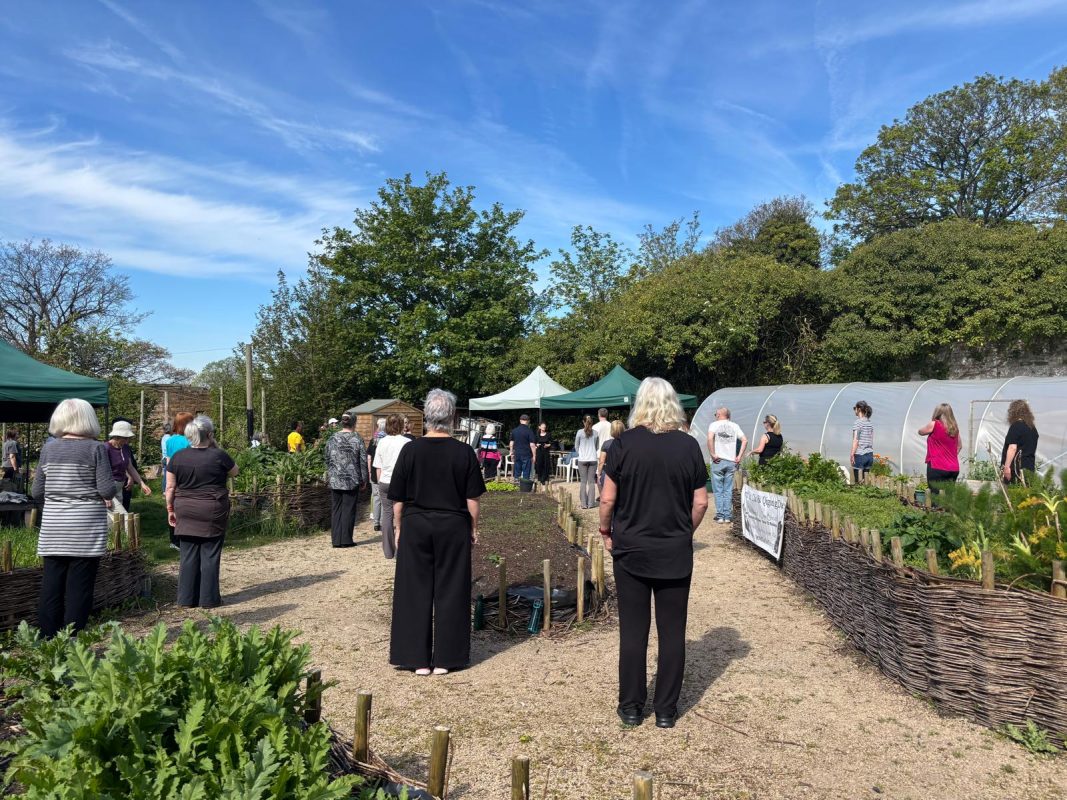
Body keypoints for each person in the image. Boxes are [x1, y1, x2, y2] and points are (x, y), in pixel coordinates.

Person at [599, 377, 709, 729]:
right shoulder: (689, 446)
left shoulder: (623, 444)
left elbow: (607, 499)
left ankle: (631, 707)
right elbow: (701, 502)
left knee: (633, 631)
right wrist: (684, 532)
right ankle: (665, 710)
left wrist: (606, 531)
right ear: (673, 405)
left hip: (631, 548)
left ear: (640, 404)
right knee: (672, 631)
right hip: (674, 550)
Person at [389, 389, 486, 675]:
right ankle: (447, 658)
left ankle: (415, 658)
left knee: (413, 589)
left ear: (427, 417)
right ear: (452, 417)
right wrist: (473, 527)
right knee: (452, 588)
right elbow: (472, 499)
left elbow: (398, 499)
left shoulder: (410, 450)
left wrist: (398, 527)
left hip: (416, 524)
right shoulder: (464, 452)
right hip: (452, 525)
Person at [32, 399, 117, 637]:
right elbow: (107, 489)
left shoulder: (49, 449)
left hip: (54, 525)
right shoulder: (96, 448)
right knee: (80, 587)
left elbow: (37, 492)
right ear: (88, 419)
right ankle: (72, 640)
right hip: (85, 527)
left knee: (51, 586)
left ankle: (48, 640)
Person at [166, 415, 238, 608]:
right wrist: (215, 446)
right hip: (212, 509)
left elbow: (170, 487)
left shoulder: (177, 457)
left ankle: (186, 599)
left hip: (185, 508)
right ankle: (208, 599)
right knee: (210, 553)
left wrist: (170, 509)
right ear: (210, 434)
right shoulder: (219, 455)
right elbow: (235, 472)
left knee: (188, 554)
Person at [324, 411, 369, 548]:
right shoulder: (357, 438)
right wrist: (364, 479)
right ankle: (346, 540)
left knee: (336, 509)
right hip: (351, 479)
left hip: (335, 478)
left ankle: (336, 540)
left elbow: (327, 458)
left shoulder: (332, 438)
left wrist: (331, 473)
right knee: (349, 509)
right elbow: (362, 460)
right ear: (354, 422)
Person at [373, 414, 410, 558]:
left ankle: (388, 551)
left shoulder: (382, 442)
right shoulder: (407, 442)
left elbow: (378, 466)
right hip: (402, 483)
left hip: (385, 481)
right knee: (403, 515)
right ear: (401, 425)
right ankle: (402, 549)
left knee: (387, 515)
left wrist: (379, 484)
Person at [705, 408, 746, 524]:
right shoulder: (735, 426)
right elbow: (745, 440)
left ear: (719, 415)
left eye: (715, 414)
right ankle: (727, 516)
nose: (715, 416)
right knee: (728, 490)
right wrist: (739, 456)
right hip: (731, 461)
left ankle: (720, 516)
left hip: (718, 461)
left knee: (718, 490)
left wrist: (713, 454)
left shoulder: (714, 425)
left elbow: (709, 438)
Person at [105, 421, 152, 514]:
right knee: (123, 516)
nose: (127, 441)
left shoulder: (125, 448)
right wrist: (105, 495)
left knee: (115, 518)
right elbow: (99, 472)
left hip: (120, 487)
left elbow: (130, 467)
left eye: (128, 438)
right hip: (108, 488)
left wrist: (142, 484)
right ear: (117, 436)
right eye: (125, 438)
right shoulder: (105, 448)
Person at [164, 412, 195, 549]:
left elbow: (168, 461)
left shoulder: (169, 441)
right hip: (187, 477)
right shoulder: (189, 441)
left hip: (172, 475)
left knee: (172, 506)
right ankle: (187, 537)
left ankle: (174, 540)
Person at [918, 404, 962, 493]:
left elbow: (921, 432)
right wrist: (950, 456)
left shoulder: (935, 424)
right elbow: (960, 446)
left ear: (937, 413)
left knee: (935, 496)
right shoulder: (955, 429)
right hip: (953, 468)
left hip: (937, 466)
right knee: (949, 496)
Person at [1001, 399, 1039, 483]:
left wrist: (1007, 467)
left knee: (1013, 490)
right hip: (1029, 467)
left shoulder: (1016, 426)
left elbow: (1012, 448)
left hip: (1015, 469)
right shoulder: (1032, 428)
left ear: (1013, 412)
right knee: (1026, 490)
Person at [575, 415, 600, 508]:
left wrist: (581, 454)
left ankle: (583, 504)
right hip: (593, 459)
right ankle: (591, 504)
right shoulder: (596, 433)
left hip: (582, 460)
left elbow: (576, 446)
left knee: (583, 482)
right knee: (591, 482)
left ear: (583, 422)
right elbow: (597, 447)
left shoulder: (579, 432)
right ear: (592, 422)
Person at [368, 418, 387, 531]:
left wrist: (370, 471)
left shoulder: (373, 441)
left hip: (375, 472)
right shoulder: (388, 440)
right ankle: (383, 522)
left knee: (376, 497)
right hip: (385, 473)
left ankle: (376, 523)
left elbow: (369, 458)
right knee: (384, 498)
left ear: (378, 427)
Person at [597, 419, 626, 490]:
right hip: (624, 473)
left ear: (612, 430)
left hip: (609, 473)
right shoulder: (627, 443)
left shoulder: (606, 444)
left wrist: (599, 474)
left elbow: (601, 462)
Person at [850, 401, 874, 484]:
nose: (854, 410)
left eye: (855, 408)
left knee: (857, 482)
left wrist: (852, 454)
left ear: (859, 409)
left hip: (860, 455)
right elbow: (871, 438)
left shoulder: (858, 422)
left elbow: (856, 440)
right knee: (865, 481)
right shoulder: (869, 423)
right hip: (869, 455)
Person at [509, 414, 536, 482]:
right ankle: (524, 486)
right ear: (528, 421)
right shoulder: (529, 431)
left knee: (517, 472)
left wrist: (511, 453)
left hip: (517, 453)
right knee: (526, 473)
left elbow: (511, 443)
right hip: (526, 454)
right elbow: (532, 445)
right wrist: (534, 456)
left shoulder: (514, 431)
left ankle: (516, 484)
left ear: (520, 421)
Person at [160, 422, 173, 492]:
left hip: (164, 457)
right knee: (168, 476)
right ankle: (166, 490)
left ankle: (164, 490)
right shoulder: (170, 438)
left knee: (165, 475)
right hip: (168, 457)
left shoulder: (163, 437)